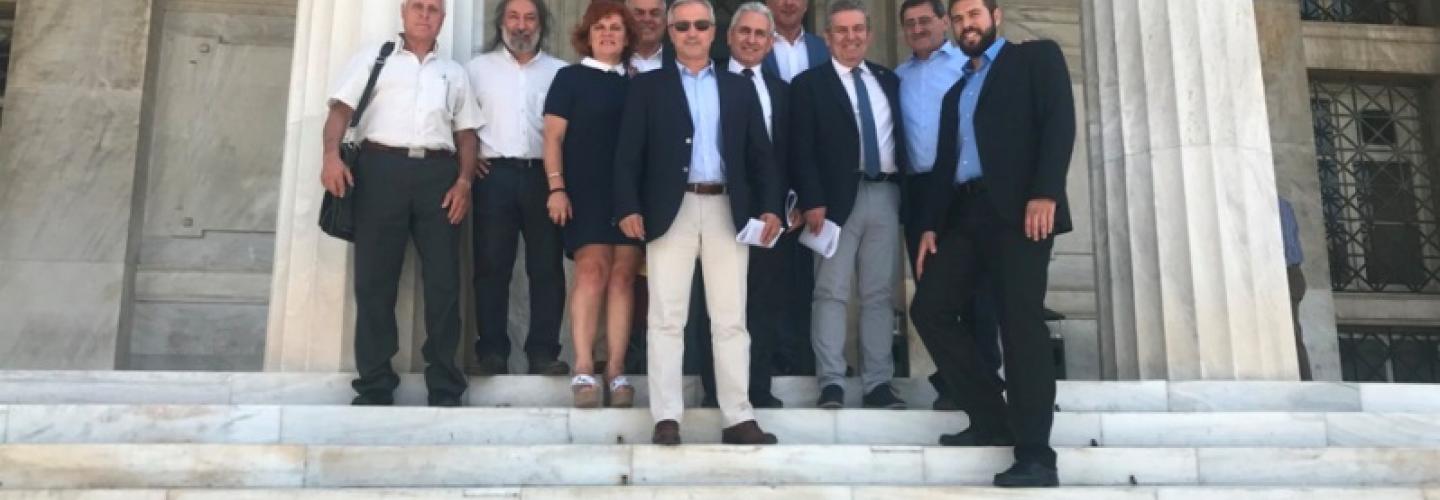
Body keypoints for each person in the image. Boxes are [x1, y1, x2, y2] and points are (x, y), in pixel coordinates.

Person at [909, 0, 1076, 487]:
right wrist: (930, 226)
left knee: (1020, 324)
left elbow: (1058, 123)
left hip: (1022, 212)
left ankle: (1036, 454)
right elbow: (946, 165)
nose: (968, 25)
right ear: (950, 25)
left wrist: (1046, 192)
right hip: (965, 216)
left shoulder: (1035, 58)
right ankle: (990, 418)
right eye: (959, 19)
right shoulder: (956, 92)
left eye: (974, 15)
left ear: (995, 16)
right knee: (930, 309)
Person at [614, 0, 783, 446]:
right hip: (671, 211)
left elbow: (761, 155)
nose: (692, 32)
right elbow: (628, 154)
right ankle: (667, 416)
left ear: (713, 32)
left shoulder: (738, 87)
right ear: (670, 32)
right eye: (683, 25)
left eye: (701, 25)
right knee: (666, 317)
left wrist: (771, 206)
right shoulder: (647, 87)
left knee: (730, 318)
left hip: (727, 209)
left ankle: (738, 417)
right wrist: (628, 206)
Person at [320, 0, 481, 407]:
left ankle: (444, 385)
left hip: (439, 177)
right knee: (374, 282)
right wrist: (330, 157)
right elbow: (340, 111)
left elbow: (466, 134)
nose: (425, 14)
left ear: (443, 19)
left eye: (433, 9)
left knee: (444, 283)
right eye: (417, 7)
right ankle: (375, 384)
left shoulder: (454, 73)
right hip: (379, 171)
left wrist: (464, 182)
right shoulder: (375, 59)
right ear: (403, 13)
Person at [790, 0, 910, 410]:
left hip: (887, 194)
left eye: (858, 29)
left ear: (869, 34)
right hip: (834, 201)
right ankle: (832, 382)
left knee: (879, 294)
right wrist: (812, 199)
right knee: (831, 291)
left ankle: (878, 383)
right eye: (841, 30)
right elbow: (801, 148)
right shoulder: (809, 84)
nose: (850, 37)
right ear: (827, 38)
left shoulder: (889, 80)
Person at [893, 0, 1002, 407]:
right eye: (910, 23)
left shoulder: (968, 66)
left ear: (944, 22)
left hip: (964, 190)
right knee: (932, 291)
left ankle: (986, 376)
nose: (918, 28)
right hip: (920, 193)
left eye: (926, 20)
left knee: (977, 290)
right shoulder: (897, 76)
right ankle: (955, 381)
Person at [543, 0, 645, 408]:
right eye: (600, 27)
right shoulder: (569, 78)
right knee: (591, 270)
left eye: (616, 28)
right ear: (587, 34)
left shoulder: (639, 83)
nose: (607, 34)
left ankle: (616, 370)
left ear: (627, 36)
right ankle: (584, 366)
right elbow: (552, 138)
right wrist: (556, 187)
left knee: (623, 277)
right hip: (583, 190)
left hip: (629, 194)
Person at [694, 1, 792, 409]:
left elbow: (786, 155)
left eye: (760, 34)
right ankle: (715, 389)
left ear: (770, 43)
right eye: (744, 32)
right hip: (719, 206)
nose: (751, 40)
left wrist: (784, 204)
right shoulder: (707, 81)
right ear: (729, 36)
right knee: (714, 302)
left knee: (762, 300)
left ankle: (758, 388)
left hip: (769, 213)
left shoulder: (783, 92)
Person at [465, 0, 569, 377]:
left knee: (547, 268)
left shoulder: (560, 72)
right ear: (501, 22)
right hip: (493, 177)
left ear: (541, 24)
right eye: (513, 16)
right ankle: (492, 352)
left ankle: (543, 353)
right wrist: (468, 159)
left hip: (545, 178)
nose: (521, 25)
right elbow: (459, 122)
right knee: (491, 267)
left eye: (529, 18)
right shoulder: (476, 70)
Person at [1280, 197, 1313, 381]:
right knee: (1291, 333)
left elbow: (1285, 248)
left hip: (1285, 274)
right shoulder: (1282, 204)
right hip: (1289, 274)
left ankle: (1303, 381)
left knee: (1290, 334)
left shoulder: (1274, 205)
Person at [763, 0, 830, 82]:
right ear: (768, 3)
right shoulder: (754, 48)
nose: (789, 3)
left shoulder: (826, 49)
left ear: (806, 4)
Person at [628, 0, 675, 73]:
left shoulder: (682, 61)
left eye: (655, 13)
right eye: (639, 13)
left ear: (665, 21)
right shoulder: (613, 60)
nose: (647, 19)